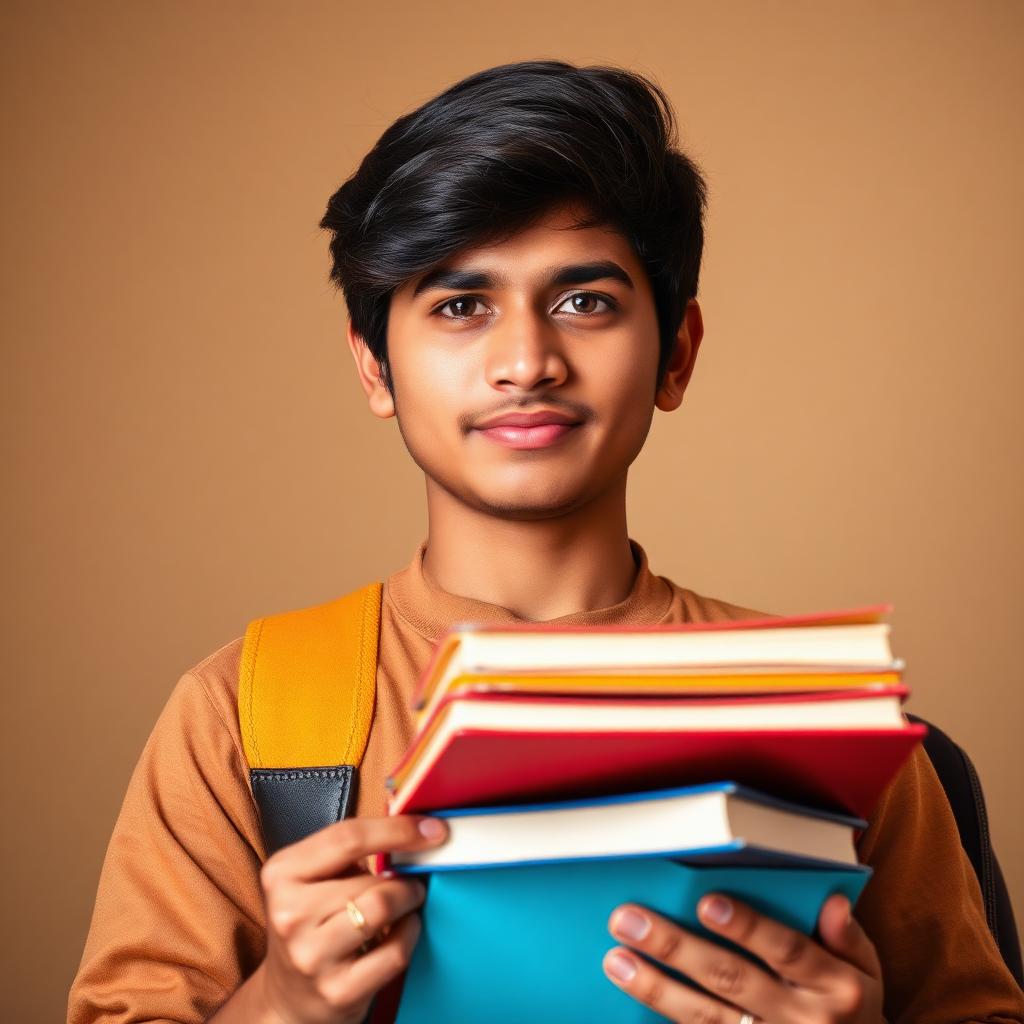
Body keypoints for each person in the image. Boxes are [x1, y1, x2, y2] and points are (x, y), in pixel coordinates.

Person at [69, 60, 1023, 1024]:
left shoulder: (827, 723)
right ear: (375, 367)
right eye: (458, 306)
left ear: (676, 353)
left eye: (584, 302)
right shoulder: (243, 715)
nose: (526, 362)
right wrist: (279, 1002)